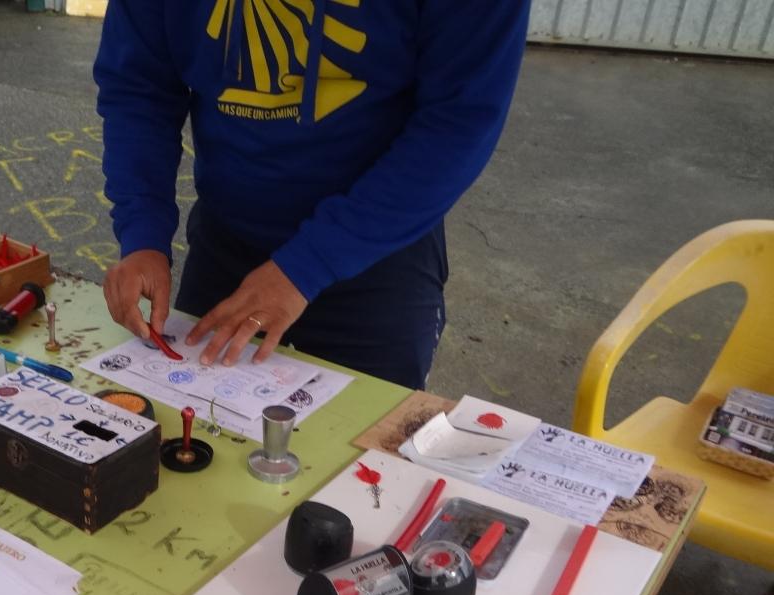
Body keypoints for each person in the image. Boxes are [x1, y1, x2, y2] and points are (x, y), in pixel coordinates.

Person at [94, 0, 530, 389]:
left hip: (374, 252)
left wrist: (309, 265)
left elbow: (460, 120)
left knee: (360, 450)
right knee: (194, 431)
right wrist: (143, 235)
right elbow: (140, 88)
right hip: (228, 242)